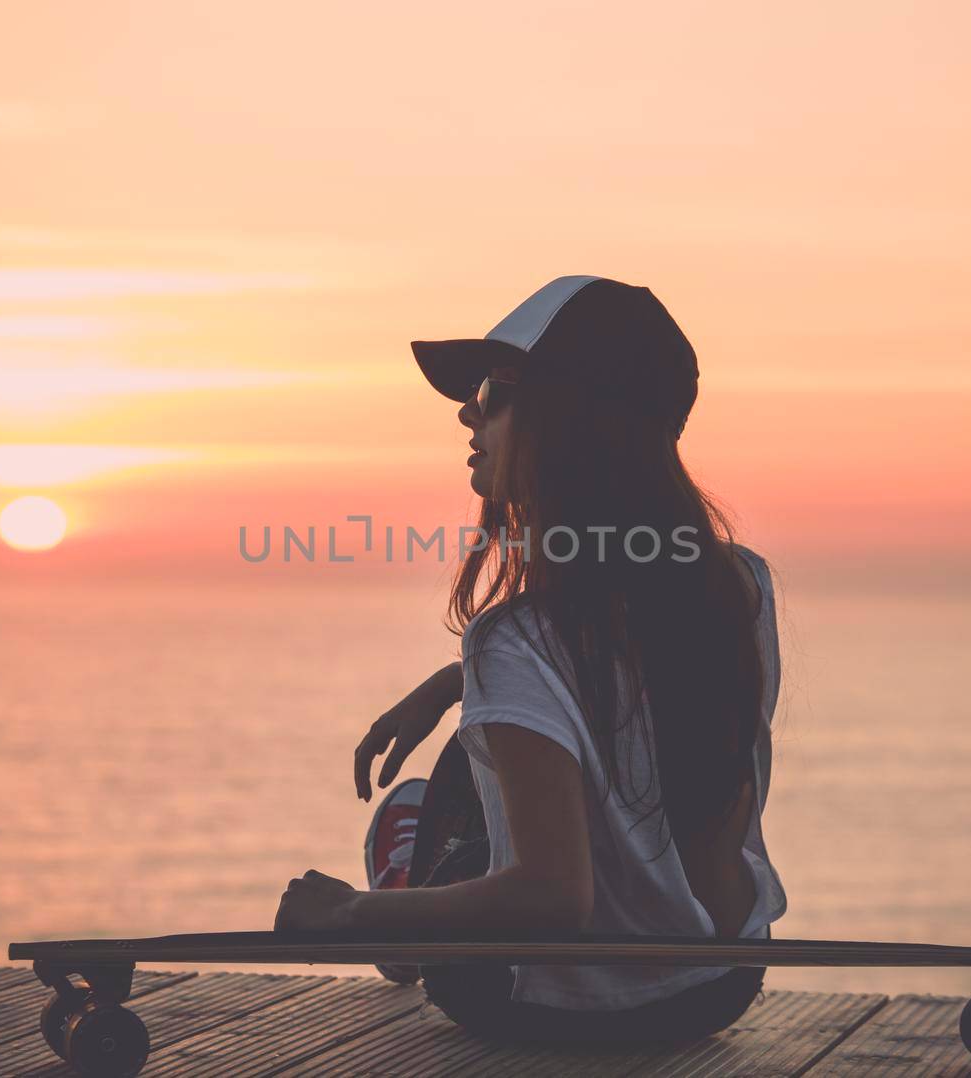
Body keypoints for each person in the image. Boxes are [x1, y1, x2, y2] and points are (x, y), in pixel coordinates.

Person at [274, 275, 787, 1050]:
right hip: (719, 986)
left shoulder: (511, 639)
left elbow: (551, 900)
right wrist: (455, 683)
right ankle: (422, 868)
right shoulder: (739, 585)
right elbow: (624, 670)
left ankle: (411, 881)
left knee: (460, 774)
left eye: (494, 390)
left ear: (570, 418)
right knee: (501, 723)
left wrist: (346, 914)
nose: (467, 411)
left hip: (545, 1005)